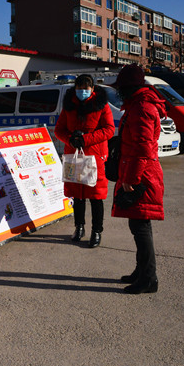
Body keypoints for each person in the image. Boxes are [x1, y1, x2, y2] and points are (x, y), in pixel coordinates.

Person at [109, 64, 166, 294]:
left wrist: (131, 179)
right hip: (140, 171)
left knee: (140, 227)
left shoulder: (141, 107)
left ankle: (148, 278)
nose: (118, 92)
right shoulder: (138, 104)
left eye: (120, 88)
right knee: (139, 225)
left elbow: (143, 147)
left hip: (141, 174)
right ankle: (141, 271)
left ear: (128, 87)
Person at [54, 74, 115, 248]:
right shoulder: (69, 105)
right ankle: (79, 227)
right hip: (74, 156)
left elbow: (109, 129)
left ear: (92, 89)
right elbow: (59, 130)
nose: (82, 91)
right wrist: (70, 139)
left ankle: (97, 231)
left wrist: (85, 139)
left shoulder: (101, 105)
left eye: (86, 89)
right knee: (77, 195)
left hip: (95, 157)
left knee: (95, 196)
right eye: (79, 88)